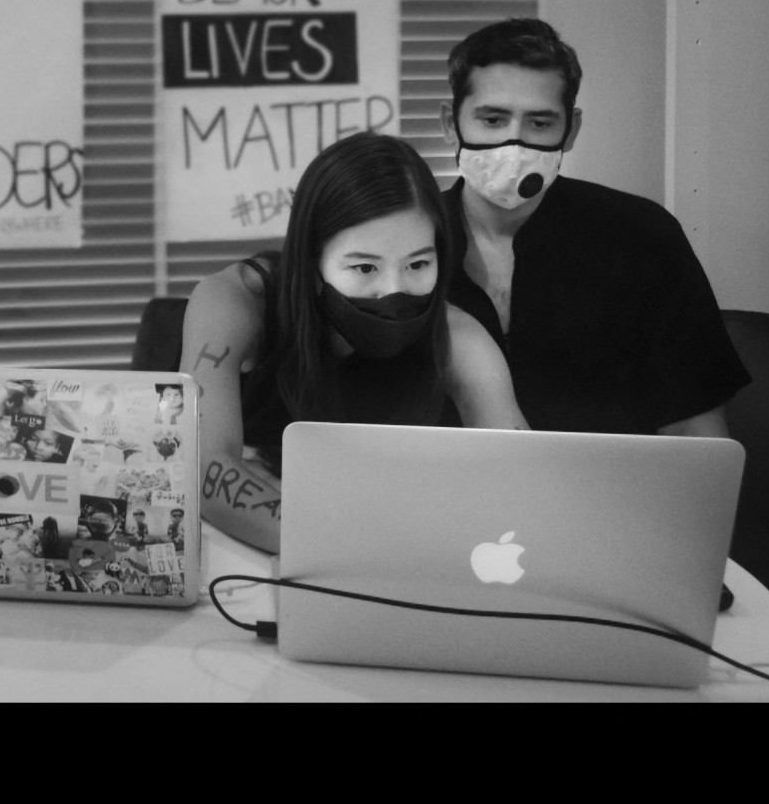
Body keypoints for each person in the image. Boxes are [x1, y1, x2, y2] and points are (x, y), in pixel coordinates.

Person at [181, 131, 528, 553]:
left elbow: (521, 478)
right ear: (311, 263)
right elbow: (199, 467)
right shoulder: (236, 301)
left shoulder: (459, 337)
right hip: (239, 557)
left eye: (418, 263)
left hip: (392, 554)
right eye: (365, 268)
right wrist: (352, 543)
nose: (393, 290)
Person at [437, 18, 749, 436]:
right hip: (448, 495)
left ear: (571, 130)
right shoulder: (409, 244)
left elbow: (697, 431)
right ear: (449, 124)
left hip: (617, 495)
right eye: (492, 120)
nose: (515, 144)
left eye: (540, 123)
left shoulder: (641, 237)